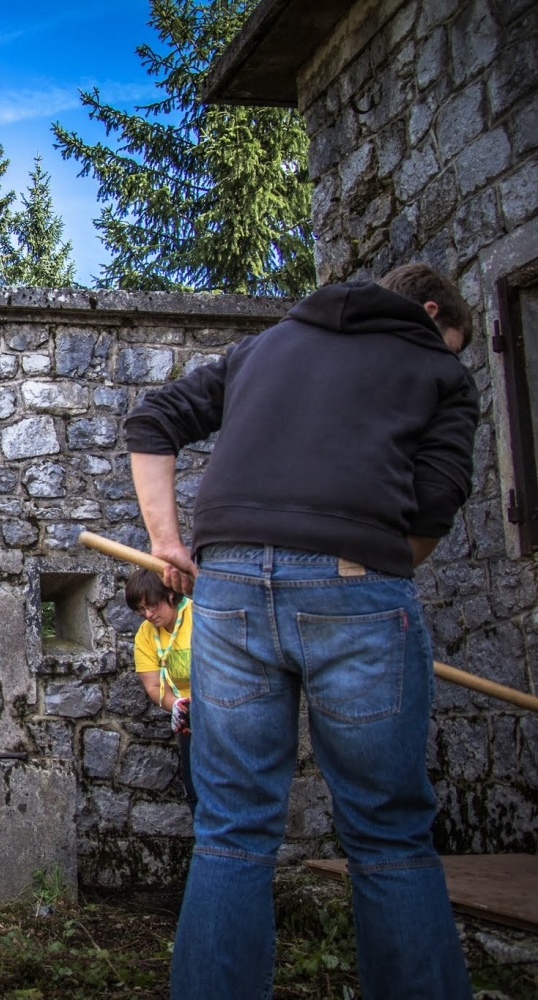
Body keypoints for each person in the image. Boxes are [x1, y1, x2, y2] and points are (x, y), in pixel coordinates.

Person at [124, 262, 477, 999]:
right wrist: (358, 572)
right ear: (432, 311)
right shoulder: (435, 368)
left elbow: (153, 418)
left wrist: (169, 544)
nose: (454, 355)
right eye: (455, 341)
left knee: (230, 828)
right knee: (387, 833)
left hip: (226, 592)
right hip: (356, 585)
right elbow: (434, 508)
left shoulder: (264, 347)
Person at [124, 568, 196, 812]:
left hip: (224, 714)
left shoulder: (200, 615)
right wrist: (177, 705)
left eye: (152, 605)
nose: (148, 614)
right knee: (195, 792)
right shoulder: (145, 634)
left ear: (171, 595)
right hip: (190, 719)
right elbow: (153, 686)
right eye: (141, 610)